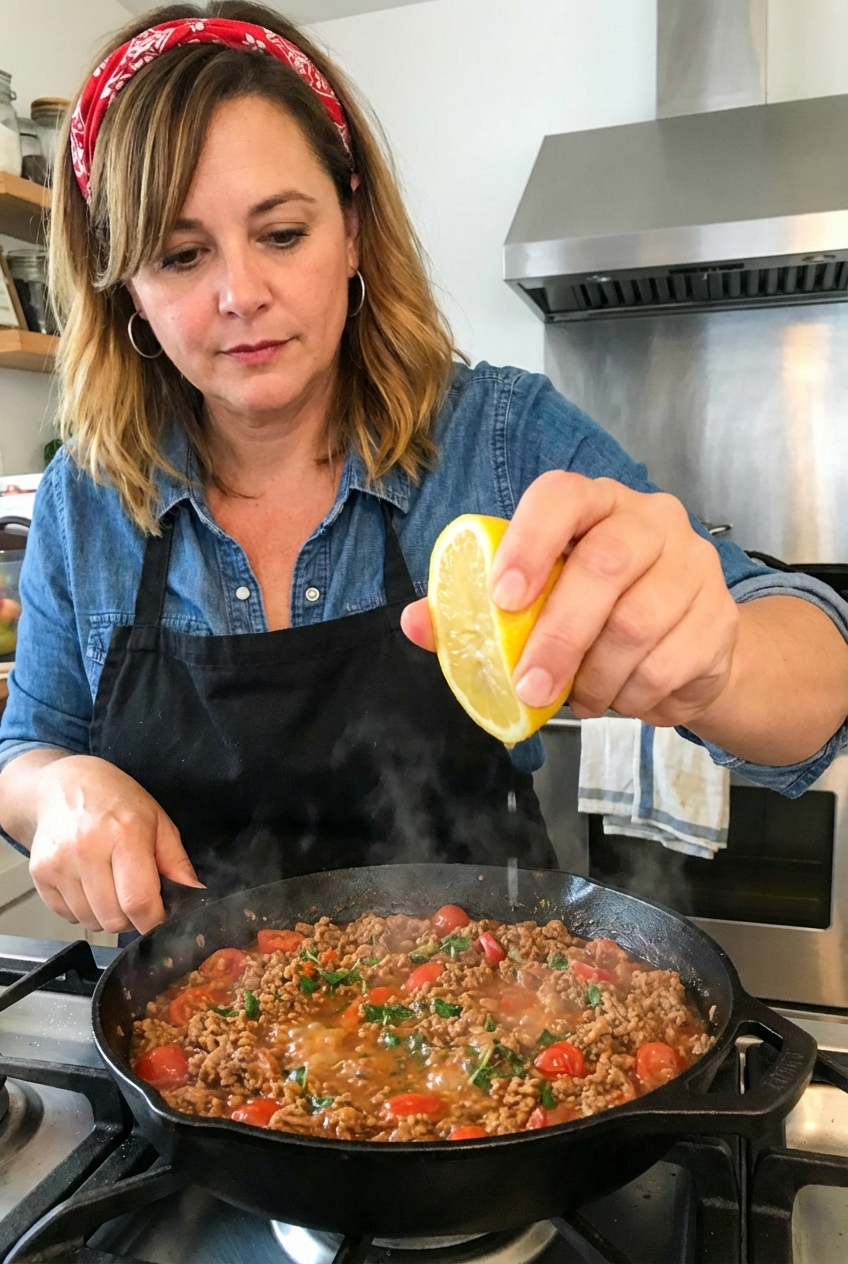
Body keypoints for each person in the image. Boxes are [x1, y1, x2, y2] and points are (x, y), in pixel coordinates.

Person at [1, 0, 847, 939]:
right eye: (180, 254)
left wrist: (718, 659)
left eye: (282, 234)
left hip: (497, 1032)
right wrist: (63, 788)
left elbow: (818, 664)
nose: (241, 294)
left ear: (353, 228)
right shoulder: (86, 498)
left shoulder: (496, 434)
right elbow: (26, 750)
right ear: (127, 286)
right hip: (188, 1042)